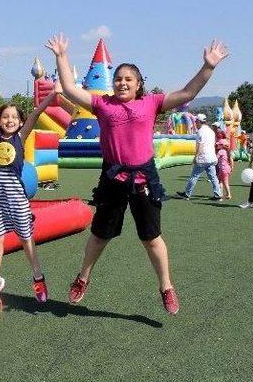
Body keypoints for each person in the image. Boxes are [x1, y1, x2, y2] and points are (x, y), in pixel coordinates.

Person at [46, 33, 229, 315]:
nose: (122, 82)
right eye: (118, 78)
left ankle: (166, 288)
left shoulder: (152, 103)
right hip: (112, 178)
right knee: (99, 235)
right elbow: (70, 89)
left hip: (144, 177)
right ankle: (82, 278)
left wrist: (208, 67)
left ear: (139, 84)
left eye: (129, 79)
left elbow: (188, 93)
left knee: (151, 237)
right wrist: (61, 56)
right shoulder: (102, 104)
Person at [0, 74, 62, 309]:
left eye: (14, 117)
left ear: (20, 122)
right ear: (0, 119)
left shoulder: (20, 136)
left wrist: (53, 94)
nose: (10, 120)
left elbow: (36, 113)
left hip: (16, 197)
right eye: (5, 116)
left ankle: (38, 277)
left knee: (26, 238)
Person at [176, 114, 223, 201]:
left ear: (198, 121)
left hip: (202, 158)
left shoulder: (200, 132)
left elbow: (200, 146)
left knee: (194, 176)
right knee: (213, 177)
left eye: (196, 122)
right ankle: (218, 194)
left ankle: (187, 194)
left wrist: (196, 157)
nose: (195, 123)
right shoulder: (211, 131)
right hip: (212, 158)